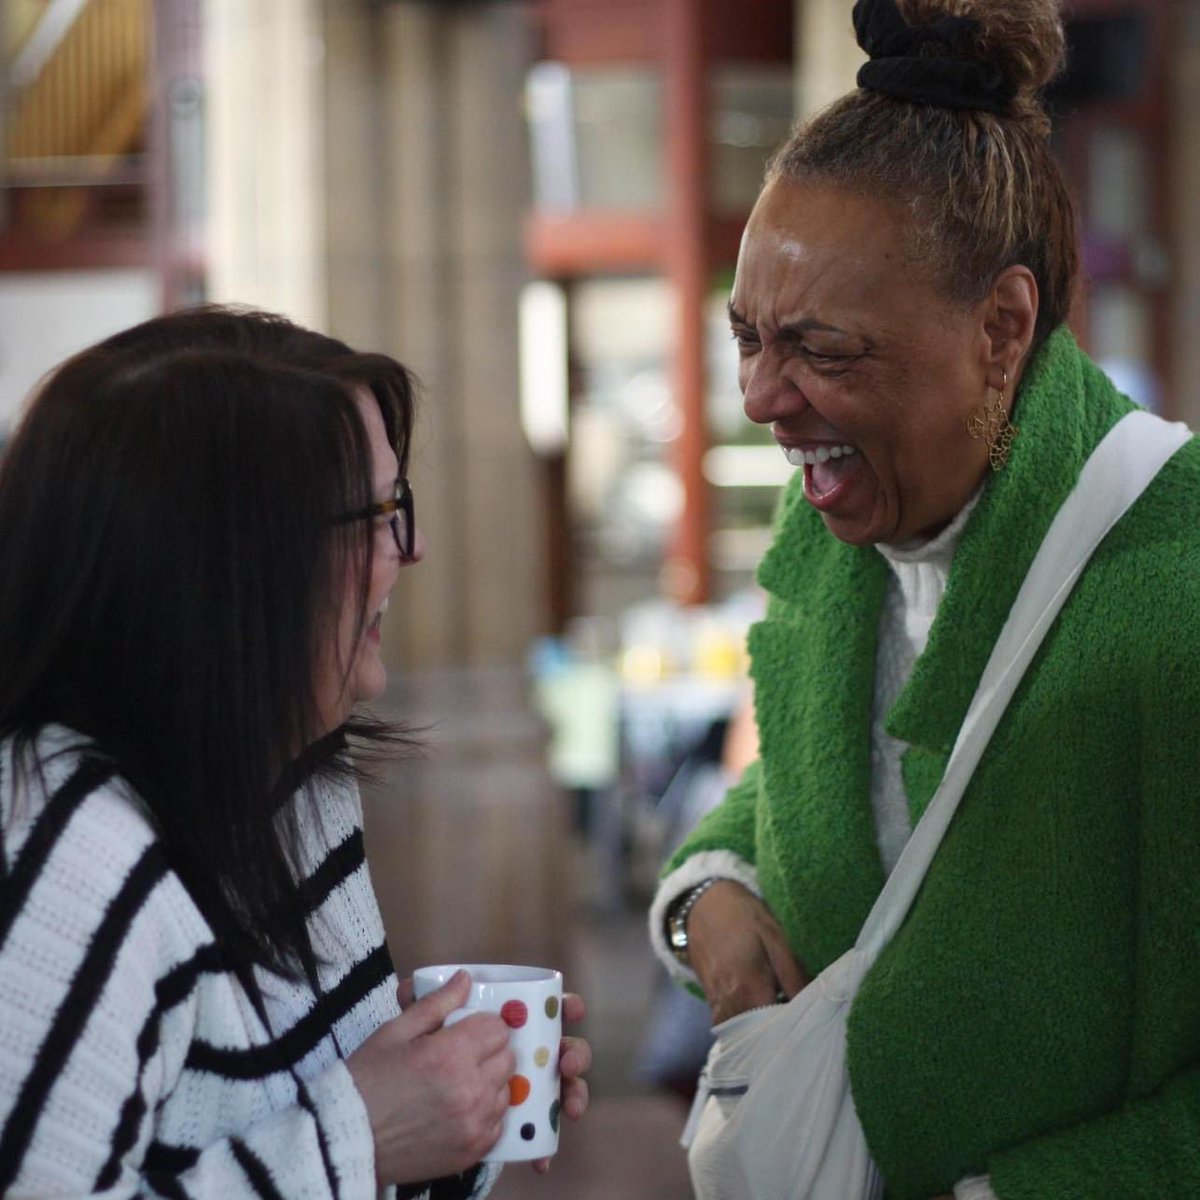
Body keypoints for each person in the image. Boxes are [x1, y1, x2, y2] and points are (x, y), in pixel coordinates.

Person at [649, 0, 1200, 1197]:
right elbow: (816, 790)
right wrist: (706, 899)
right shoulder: (837, 531)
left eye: (822, 349)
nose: (759, 396)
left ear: (1002, 328)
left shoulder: (1176, 597)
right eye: (746, 337)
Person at [0, 307, 591, 1198]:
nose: (414, 548)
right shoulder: (68, 854)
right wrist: (363, 1136)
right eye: (379, 515)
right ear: (234, 565)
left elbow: (296, 1130)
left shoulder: (293, 779)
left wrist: (451, 1113)